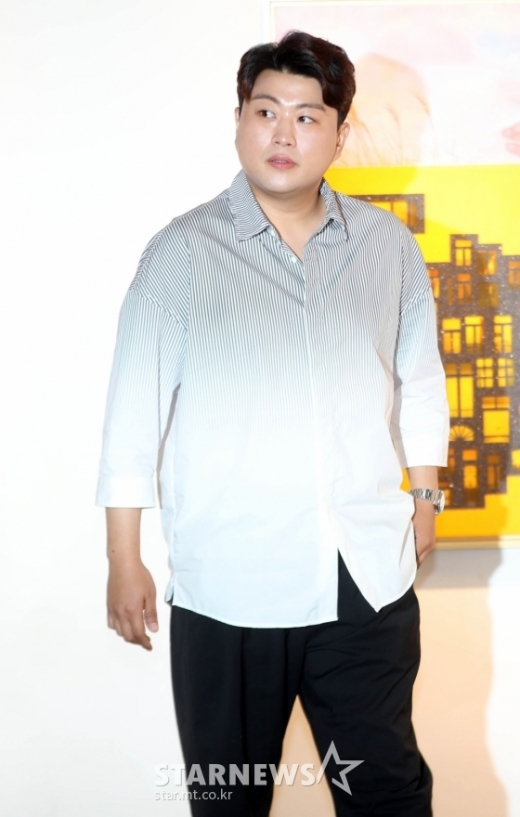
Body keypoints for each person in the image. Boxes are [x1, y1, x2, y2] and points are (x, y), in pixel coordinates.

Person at [96, 30, 449, 817]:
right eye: (266, 111)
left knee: (389, 792)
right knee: (230, 801)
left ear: (340, 134)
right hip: (232, 586)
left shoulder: (387, 248)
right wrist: (125, 557)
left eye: (307, 116)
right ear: (239, 120)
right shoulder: (181, 254)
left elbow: (421, 379)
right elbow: (131, 415)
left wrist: (426, 496)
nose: (283, 134)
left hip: (364, 575)